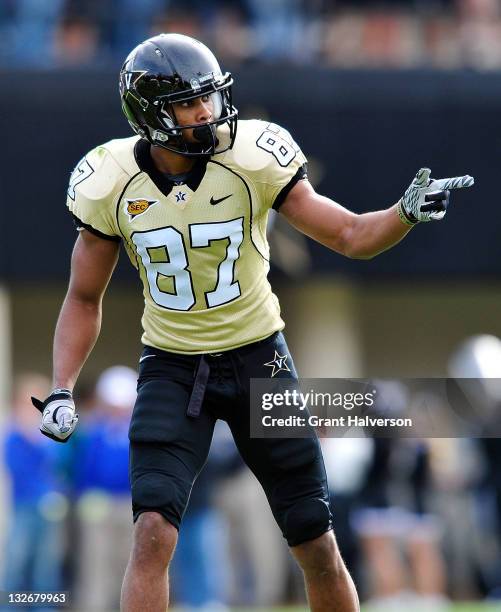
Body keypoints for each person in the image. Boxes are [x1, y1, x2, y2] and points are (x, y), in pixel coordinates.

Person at [31, 32, 474, 612]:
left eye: (209, 98)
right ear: (151, 114)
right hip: (171, 366)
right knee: (152, 535)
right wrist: (63, 386)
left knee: (315, 538)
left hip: (259, 358)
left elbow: (348, 234)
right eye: (189, 103)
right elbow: (82, 297)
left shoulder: (252, 156)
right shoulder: (110, 180)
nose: (207, 113)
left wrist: (405, 215)